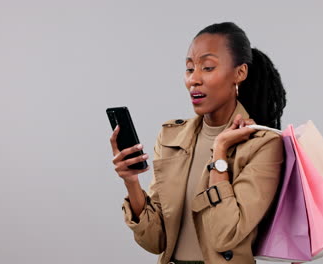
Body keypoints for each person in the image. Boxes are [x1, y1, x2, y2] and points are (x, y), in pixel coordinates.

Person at [110, 22, 287, 264]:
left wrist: (220, 153)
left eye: (208, 67)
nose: (194, 79)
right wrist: (131, 182)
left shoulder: (263, 144)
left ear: (240, 73)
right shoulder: (172, 137)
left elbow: (226, 235)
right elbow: (156, 241)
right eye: (190, 69)